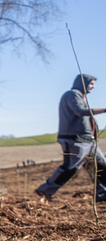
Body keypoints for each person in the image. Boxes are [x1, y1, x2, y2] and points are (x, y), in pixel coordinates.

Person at [35, 74, 106, 202]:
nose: (93, 87)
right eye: (91, 84)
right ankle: (45, 190)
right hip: (75, 139)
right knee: (71, 167)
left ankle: (103, 193)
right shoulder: (72, 95)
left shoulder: (81, 97)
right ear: (82, 83)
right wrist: (103, 110)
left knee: (100, 165)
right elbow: (80, 111)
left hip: (88, 140)